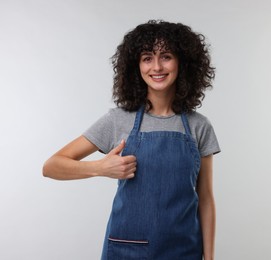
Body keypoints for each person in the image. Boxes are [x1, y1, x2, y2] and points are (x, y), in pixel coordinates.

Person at [42, 20, 220, 260]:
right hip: (127, 250)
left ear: (183, 62)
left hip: (183, 250)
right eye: (147, 58)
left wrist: (208, 257)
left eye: (166, 56)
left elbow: (206, 198)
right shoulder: (118, 120)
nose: (156, 67)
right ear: (136, 66)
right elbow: (51, 166)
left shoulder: (199, 125)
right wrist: (99, 168)